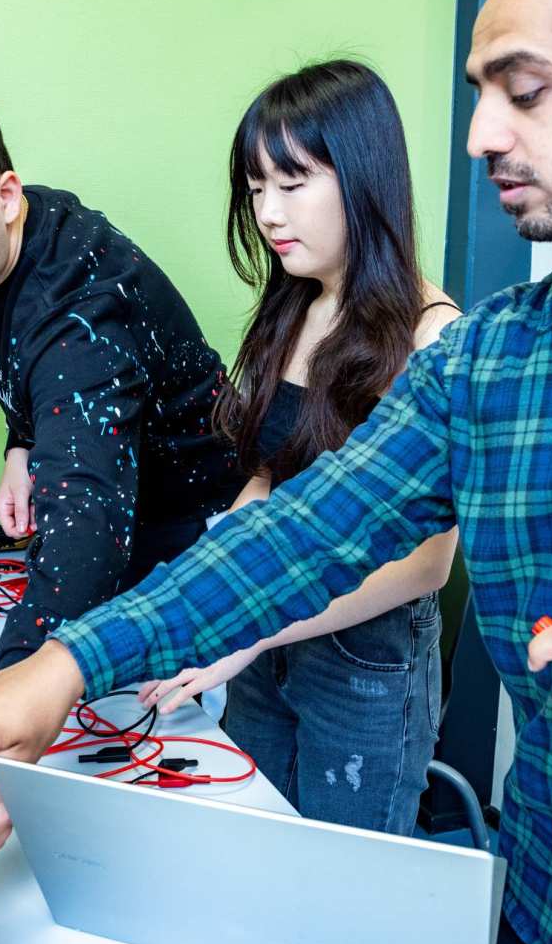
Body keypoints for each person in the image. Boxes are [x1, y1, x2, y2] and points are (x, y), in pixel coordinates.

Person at [0, 0, 552, 944]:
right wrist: (58, 670)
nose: (477, 136)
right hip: (546, 906)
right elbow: (296, 533)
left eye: (525, 89)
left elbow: (410, 571)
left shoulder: (435, 331)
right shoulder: (493, 361)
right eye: (478, 96)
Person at [136, 60, 459, 832]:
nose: (268, 213)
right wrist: (201, 601)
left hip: (366, 661)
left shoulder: (433, 334)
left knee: (345, 892)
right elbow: (269, 479)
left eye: (292, 182)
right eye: (255, 189)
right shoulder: (296, 305)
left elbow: (426, 564)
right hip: (271, 632)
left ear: (364, 177)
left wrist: (249, 626)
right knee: (256, 850)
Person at [0, 76, 242, 675]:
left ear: (6, 196)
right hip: (133, 517)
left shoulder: (78, 314)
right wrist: (22, 445)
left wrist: (13, 685)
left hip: (207, 539)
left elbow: (86, 521)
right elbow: (29, 366)